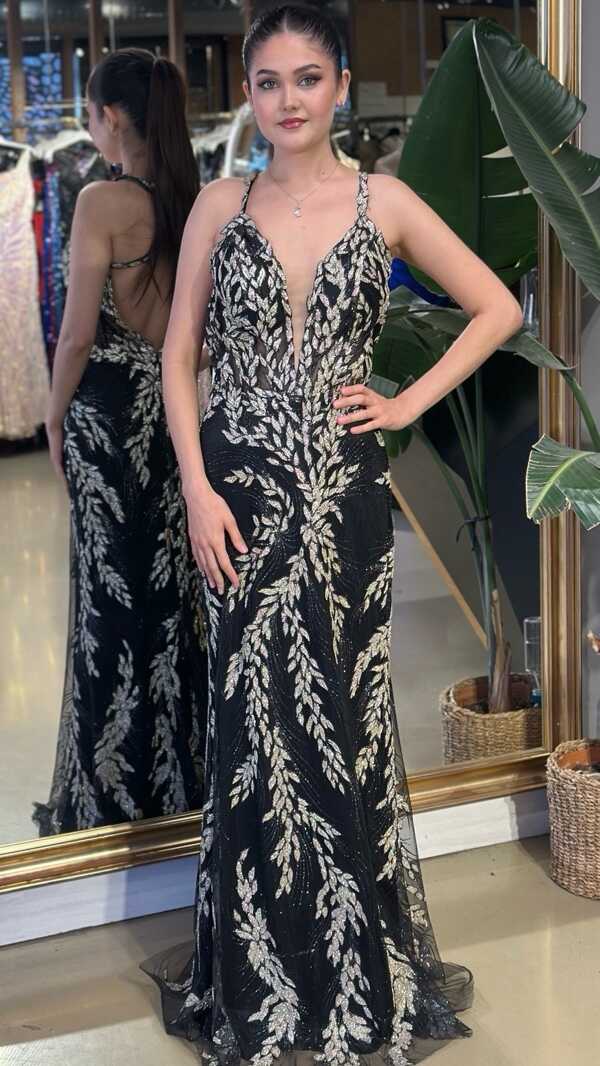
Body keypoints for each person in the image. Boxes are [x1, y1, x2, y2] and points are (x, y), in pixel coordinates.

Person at [141, 5, 523, 1063]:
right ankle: (259, 976)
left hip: (345, 500)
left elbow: (497, 308)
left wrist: (403, 404)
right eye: (268, 82)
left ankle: (353, 967)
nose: (288, 100)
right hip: (238, 503)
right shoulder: (219, 204)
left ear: (343, 86)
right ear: (250, 95)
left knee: (346, 720)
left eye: (308, 78)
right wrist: (196, 487)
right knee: (253, 727)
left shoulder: (383, 201)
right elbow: (179, 356)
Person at [33, 49, 207, 835]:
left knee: (106, 602)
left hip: (105, 420)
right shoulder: (191, 198)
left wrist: (52, 414)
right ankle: (178, 784)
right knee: (170, 598)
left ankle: (110, 795)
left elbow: (76, 336)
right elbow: (193, 340)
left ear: (109, 117)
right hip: (168, 417)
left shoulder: (101, 200)